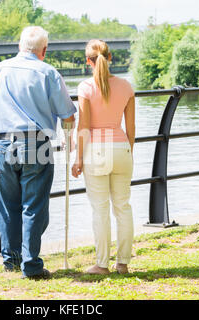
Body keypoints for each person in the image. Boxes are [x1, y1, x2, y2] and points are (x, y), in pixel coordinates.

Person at [0, 26, 76, 279]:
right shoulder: (48, 73)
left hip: (3, 143)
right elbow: (68, 114)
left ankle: (11, 260)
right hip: (36, 143)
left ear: (19, 46)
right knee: (33, 205)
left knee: (8, 204)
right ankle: (31, 265)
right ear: (44, 50)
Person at [72, 39, 135, 275]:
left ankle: (101, 264)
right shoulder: (127, 87)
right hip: (121, 148)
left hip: (97, 150)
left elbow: (84, 127)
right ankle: (123, 263)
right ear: (110, 59)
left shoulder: (86, 88)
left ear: (89, 61)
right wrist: (129, 153)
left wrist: (78, 158)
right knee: (123, 207)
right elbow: (131, 128)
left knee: (100, 209)